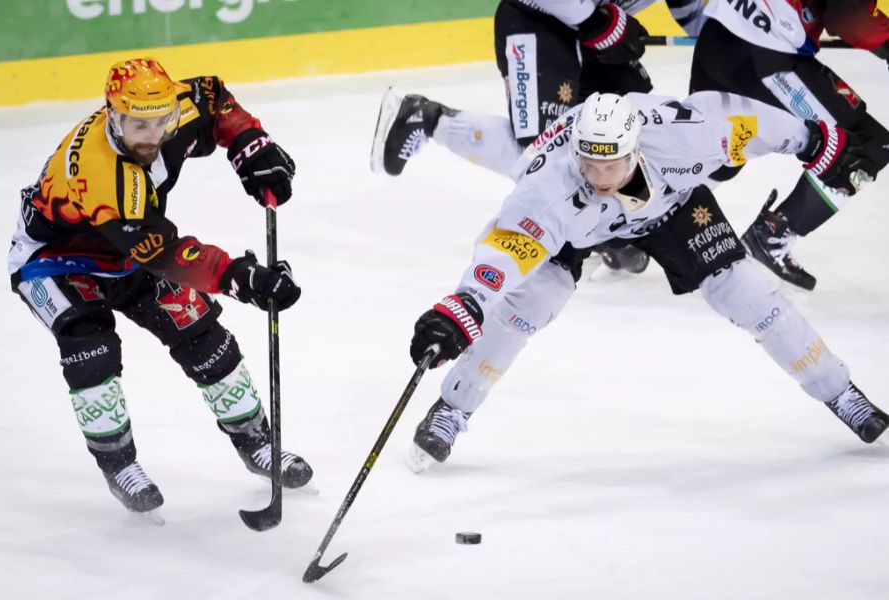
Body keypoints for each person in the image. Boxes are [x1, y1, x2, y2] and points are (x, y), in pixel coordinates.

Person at [403, 90, 887, 473]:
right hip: (580, 228)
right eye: (588, 162)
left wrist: (812, 139)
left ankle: (840, 392)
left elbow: (747, 120)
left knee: (750, 294)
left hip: (671, 208)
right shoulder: (549, 186)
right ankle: (454, 407)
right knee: (528, 305)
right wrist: (464, 304)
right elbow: (504, 249)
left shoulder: (687, 134)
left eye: (609, 163)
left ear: (634, 147)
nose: (597, 174)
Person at [7, 57, 312, 514]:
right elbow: (165, 255)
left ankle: (256, 443)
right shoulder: (100, 174)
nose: (150, 137)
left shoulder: (176, 108)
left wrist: (250, 146)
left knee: (201, 332)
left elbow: (215, 98)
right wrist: (239, 277)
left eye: (160, 123)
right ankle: (119, 466)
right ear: (112, 114)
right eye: (135, 125)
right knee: (91, 345)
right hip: (55, 260)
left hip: (132, 249)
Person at [371, 0, 707, 274]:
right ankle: (426, 119)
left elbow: (690, 9)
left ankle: (603, 231)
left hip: (596, 33)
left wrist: (722, 44)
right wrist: (595, 22)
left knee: (624, 132)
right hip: (539, 19)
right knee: (543, 150)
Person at [691, 0, 889, 290]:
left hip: (719, 36)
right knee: (868, 144)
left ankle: (638, 225)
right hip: (766, 54)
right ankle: (773, 232)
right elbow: (848, 15)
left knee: (718, 152)